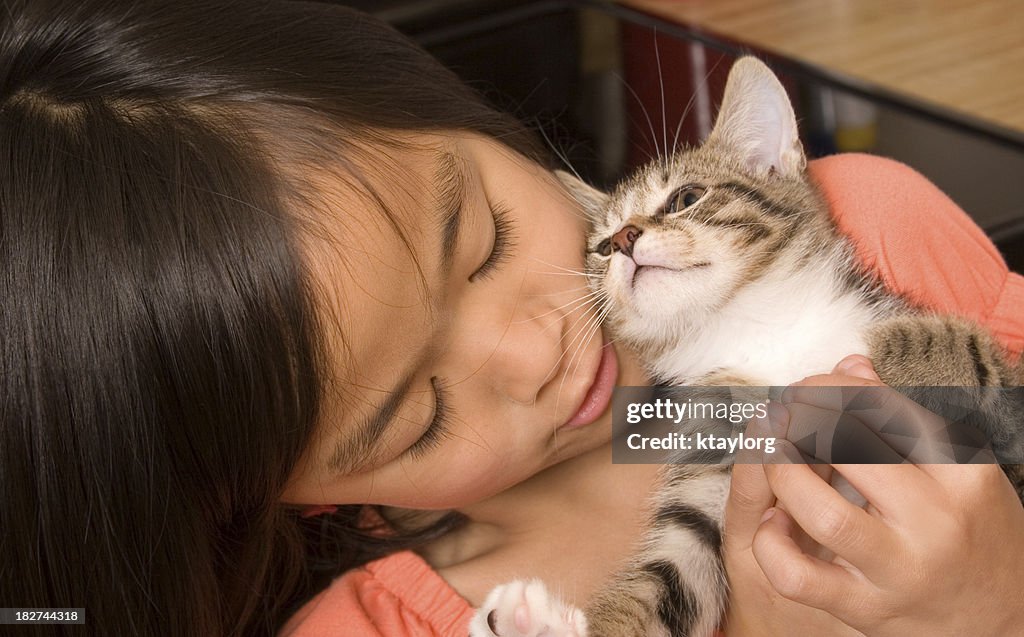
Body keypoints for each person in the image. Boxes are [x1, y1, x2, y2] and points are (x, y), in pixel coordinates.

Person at [1, 2, 1021, 636]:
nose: (535, 350)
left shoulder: (862, 235)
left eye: (484, 236)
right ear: (312, 497)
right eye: (420, 413)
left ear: (468, 115)